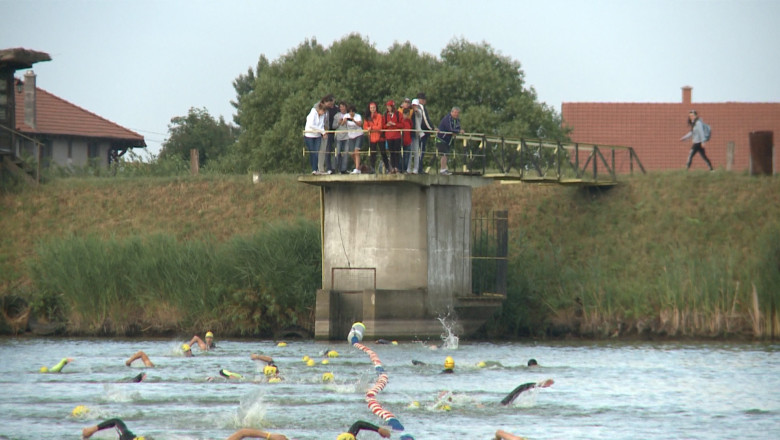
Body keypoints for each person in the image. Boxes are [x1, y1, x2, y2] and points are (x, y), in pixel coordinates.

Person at [436, 106, 464, 175]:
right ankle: (442, 170)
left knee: (446, 154)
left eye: (457, 113)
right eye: (455, 113)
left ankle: (444, 169)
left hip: (448, 140)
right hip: (441, 139)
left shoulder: (457, 120)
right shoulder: (447, 118)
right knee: (444, 153)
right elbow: (450, 129)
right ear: (452, 112)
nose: (456, 114)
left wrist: (458, 131)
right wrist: (458, 131)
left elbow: (458, 127)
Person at [363, 102, 389, 174]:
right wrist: (368, 128)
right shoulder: (367, 117)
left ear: (376, 108)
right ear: (369, 108)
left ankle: (387, 168)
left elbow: (379, 127)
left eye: (374, 108)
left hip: (380, 136)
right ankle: (372, 168)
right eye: (371, 108)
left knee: (383, 153)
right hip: (372, 137)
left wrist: (371, 128)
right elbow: (365, 127)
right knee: (372, 153)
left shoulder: (379, 116)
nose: (372, 109)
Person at [304, 102, 327, 174]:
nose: (323, 113)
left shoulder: (323, 115)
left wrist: (323, 132)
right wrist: (322, 132)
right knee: (312, 152)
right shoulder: (313, 113)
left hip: (317, 136)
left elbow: (321, 125)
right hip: (309, 135)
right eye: (322, 111)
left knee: (316, 152)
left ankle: (315, 169)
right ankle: (314, 169)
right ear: (319, 109)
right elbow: (311, 125)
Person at [318, 94, 338, 174]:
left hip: (335, 131)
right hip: (327, 131)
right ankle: (328, 167)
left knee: (337, 150)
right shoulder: (323, 108)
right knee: (327, 150)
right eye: (330, 103)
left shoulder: (337, 108)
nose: (331, 105)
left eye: (332, 103)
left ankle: (334, 167)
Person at [415, 92, 434, 174]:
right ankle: (419, 169)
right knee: (421, 150)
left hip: (417, 132)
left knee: (418, 151)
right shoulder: (421, 107)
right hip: (422, 133)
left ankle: (418, 168)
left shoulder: (415, 107)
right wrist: (432, 128)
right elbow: (425, 120)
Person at [383, 100, 403, 174]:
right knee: (391, 153)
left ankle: (396, 167)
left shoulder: (398, 114)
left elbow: (402, 125)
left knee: (397, 152)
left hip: (397, 136)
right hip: (389, 136)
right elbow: (383, 126)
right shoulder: (385, 115)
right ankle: (392, 168)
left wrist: (394, 124)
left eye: (389, 106)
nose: (388, 108)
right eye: (387, 106)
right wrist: (387, 125)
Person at [333, 101, 351, 174]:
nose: (342, 108)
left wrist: (347, 122)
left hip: (347, 136)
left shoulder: (349, 115)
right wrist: (339, 123)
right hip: (338, 137)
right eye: (340, 107)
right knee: (337, 153)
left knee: (346, 153)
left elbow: (352, 125)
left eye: (343, 107)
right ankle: (335, 168)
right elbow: (333, 126)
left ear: (346, 107)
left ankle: (344, 169)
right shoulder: (336, 116)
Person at [345, 104, 364, 174]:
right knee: (352, 153)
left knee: (356, 151)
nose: (351, 113)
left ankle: (357, 168)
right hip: (350, 136)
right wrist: (344, 120)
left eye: (352, 112)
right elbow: (342, 124)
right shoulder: (346, 116)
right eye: (350, 112)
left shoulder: (358, 116)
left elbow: (360, 124)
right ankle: (359, 166)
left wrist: (354, 120)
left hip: (358, 135)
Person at [407, 98, 423, 174]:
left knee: (416, 152)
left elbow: (419, 114)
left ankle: (416, 169)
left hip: (416, 133)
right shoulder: (409, 111)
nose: (414, 106)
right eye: (413, 105)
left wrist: (416, 110)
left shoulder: (419, 111)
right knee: (409, 152)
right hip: (410, 133)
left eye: (415, 105)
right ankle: (408, 168)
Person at [399, 97, 414, 172]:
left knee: (407, 156)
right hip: (402, 141)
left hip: (408, 141)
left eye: (407, 115)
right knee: (402, 156)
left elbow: (411, 129)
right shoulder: (401, 121)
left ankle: (404, 169)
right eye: (405, 114)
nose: (406, 116)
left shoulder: (409, 122)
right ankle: (400, 169)